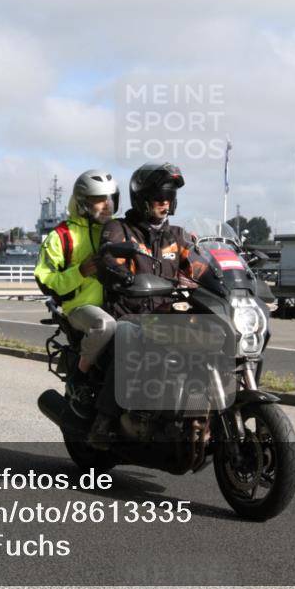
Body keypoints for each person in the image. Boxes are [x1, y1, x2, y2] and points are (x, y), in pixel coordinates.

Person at [89, 162, 194, 447]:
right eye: (159, 197)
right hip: (130, 314)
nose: (165, 203)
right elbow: (107, 259)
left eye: (169, 197)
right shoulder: (119, 229)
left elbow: (199, 266)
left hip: (166, 316)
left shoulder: (180, 236)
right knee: (131, 340)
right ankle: (104, 420)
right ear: (142, 199)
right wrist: (121, 276)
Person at [34, 169, 121, 394]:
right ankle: (78, 376)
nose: (107, 204)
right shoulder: (61, 236)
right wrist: (80, 271)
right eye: (99, 199)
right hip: (81, 307)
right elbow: (47, 280)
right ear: (83, 202)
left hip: (118, 304)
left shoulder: (117, 230)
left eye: (110, 198)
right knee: (105, 325)